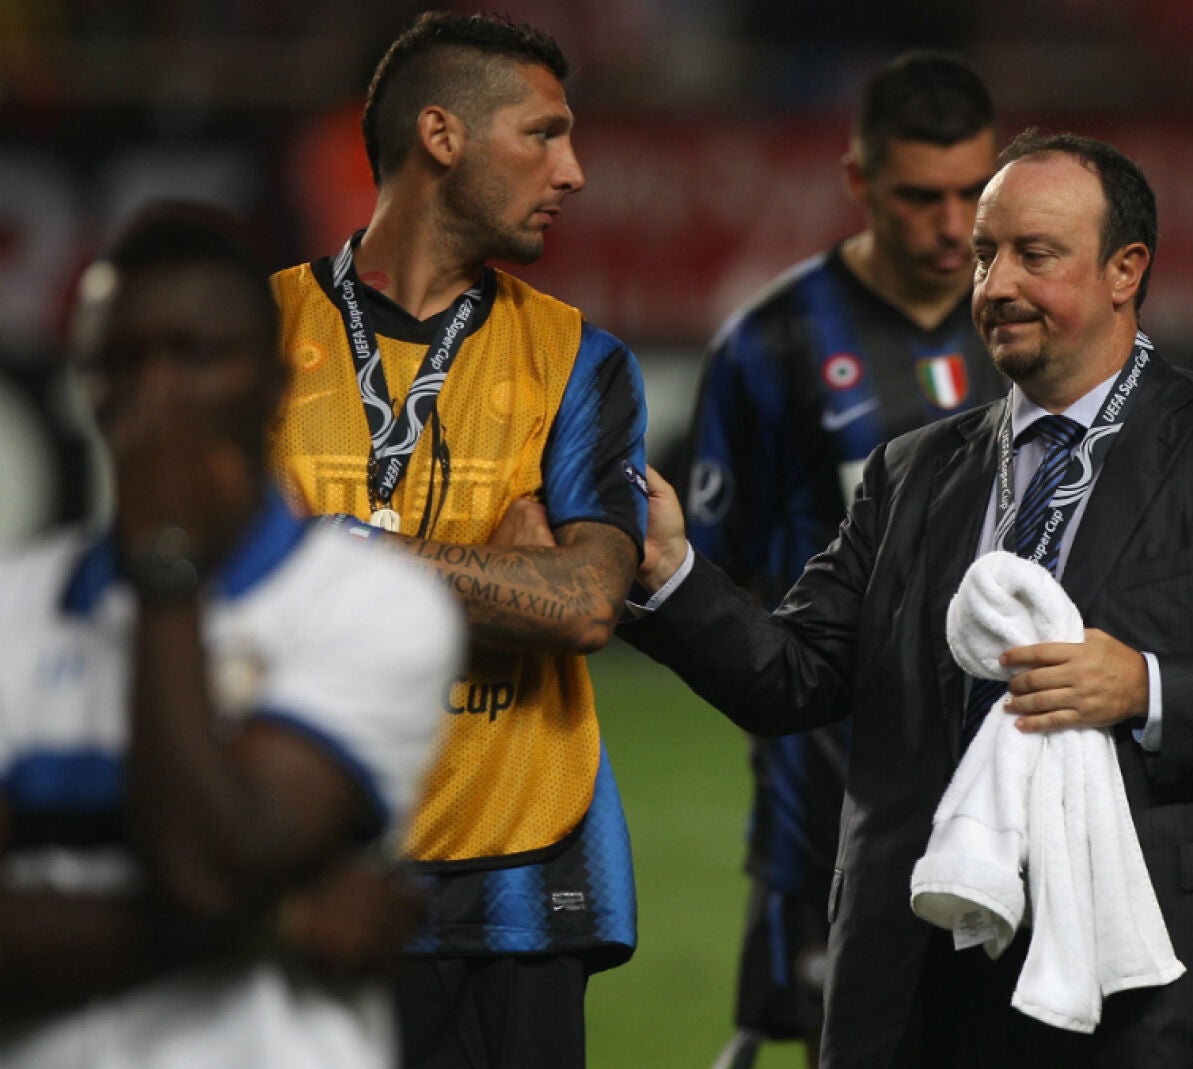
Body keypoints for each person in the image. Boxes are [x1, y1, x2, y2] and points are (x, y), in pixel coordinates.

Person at [624, 130, 1193, 1067]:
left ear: (1126, 270)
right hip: (933, 979)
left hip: (1167, 990)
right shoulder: (912, 470)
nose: (994, 284)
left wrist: (1147, 686)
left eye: (1033, 255)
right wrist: (671, 576)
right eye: (984, 254)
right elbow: (794, 674)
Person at [265, 12, 648, 1068]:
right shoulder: (254, 340)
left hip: (519, 889)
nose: (572, 171)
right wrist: (500, 568)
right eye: (544, 134)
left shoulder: (581, 359)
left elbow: (582, 605)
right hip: (305, 868)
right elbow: (226, 603)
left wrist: (329, 550)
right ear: (441, 135)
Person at [0, 212, 461, 1066]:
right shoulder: (11, 606)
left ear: (275, 385)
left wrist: (166, 568)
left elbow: (210, 866)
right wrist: (280, 923)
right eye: (119, 361)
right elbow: (223, 893)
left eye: (192, 354)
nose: (155, 392)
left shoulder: (371, 606)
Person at [683, 50, 1006, 1069]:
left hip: (1013, 769)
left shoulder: (1035, 321)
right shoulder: (770, 345)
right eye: (921, 196)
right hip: (832, 796)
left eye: (973, 194)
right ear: (859, 182)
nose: (953, 226)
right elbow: (719, 575)